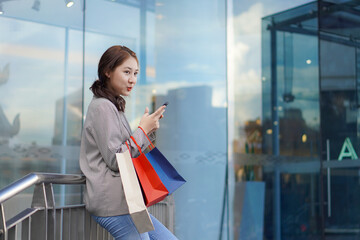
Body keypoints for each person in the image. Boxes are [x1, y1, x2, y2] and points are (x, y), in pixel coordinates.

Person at [79, 45, 178, 240]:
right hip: (114, 204)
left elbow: (129, 150)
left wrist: (148, 130)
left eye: (135, 73)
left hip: (127, 202)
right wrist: (142, 130)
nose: (132, 79)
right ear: (107, 71)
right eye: (126, 72)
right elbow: (117, 159)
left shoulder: (113, 106)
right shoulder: (103, 107)